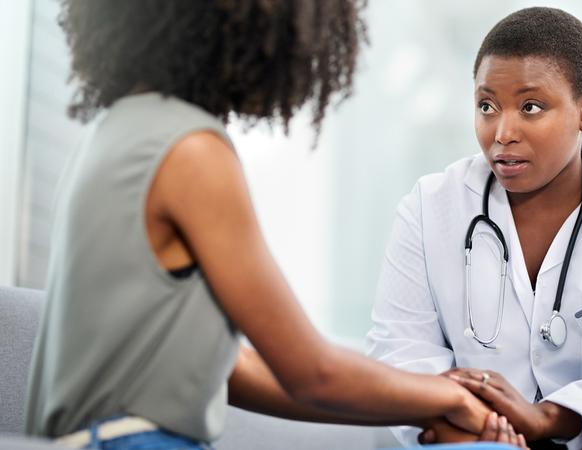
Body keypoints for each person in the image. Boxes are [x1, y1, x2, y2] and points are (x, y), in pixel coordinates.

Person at [23, 1, 529, 449]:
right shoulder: (192, 151)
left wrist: (429, 404)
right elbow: (311, 371)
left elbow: (233, 371)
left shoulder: (118, 132)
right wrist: (453, 396)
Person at [367, 7, 582, 450]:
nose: (503, 132)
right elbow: (400, 349)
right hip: (475, 433)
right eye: (486, 106)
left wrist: (548, 417)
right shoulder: (429, 207)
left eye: (531, 107)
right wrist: (467, 416)